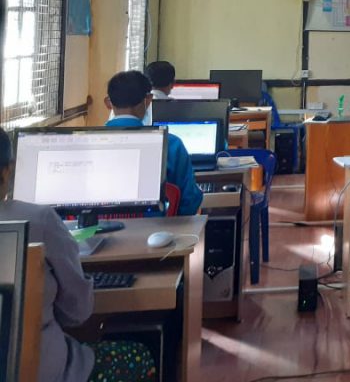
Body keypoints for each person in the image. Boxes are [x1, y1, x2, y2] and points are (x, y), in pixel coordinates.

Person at [0, 129, 157, 382]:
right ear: (8, 170)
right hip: (40, 370)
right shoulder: (39, 220)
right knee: (139, 356)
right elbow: (77, 312)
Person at [105, 71, 204, 215]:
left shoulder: (84, 142)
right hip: (157, 227)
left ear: (108, 102)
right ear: (148, 99)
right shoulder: (171, 144)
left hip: (97, 228)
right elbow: (190, 200)